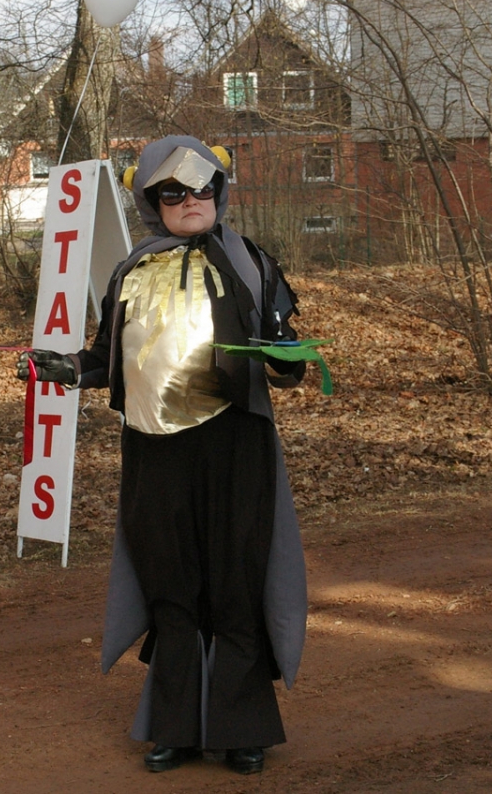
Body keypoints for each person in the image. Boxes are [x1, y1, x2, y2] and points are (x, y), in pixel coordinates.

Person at [18, 136, 308, 775]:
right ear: (151, 202)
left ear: (219, 192)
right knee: (171, 584)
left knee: (235, 581)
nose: (191, 201)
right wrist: (65, 369)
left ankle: (240, 728)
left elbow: (287, 358)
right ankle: (175, 725)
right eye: (173, 192)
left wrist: (288, 359)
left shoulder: (252, 263)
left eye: (203, 187)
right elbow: (107, 357)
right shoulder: (130, 271)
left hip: (235, 445)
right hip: (153, 449)